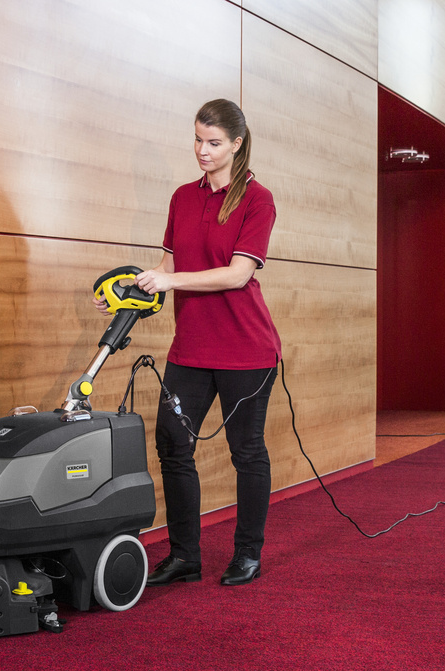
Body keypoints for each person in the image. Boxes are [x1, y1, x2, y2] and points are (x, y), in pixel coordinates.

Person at [95, 99, 281, 586]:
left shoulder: (257, 200)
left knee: (246, 451)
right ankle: (185, 556)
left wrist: (171, 282)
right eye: (198, 139)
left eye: (213, 142)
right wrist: (124, 293)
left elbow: (238, 274)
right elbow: (167, 269)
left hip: (246, 350)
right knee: (173, 445)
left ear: (236, 144)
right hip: (192, 349)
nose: (202, 150)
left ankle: (248, 554)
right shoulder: (182, 197)